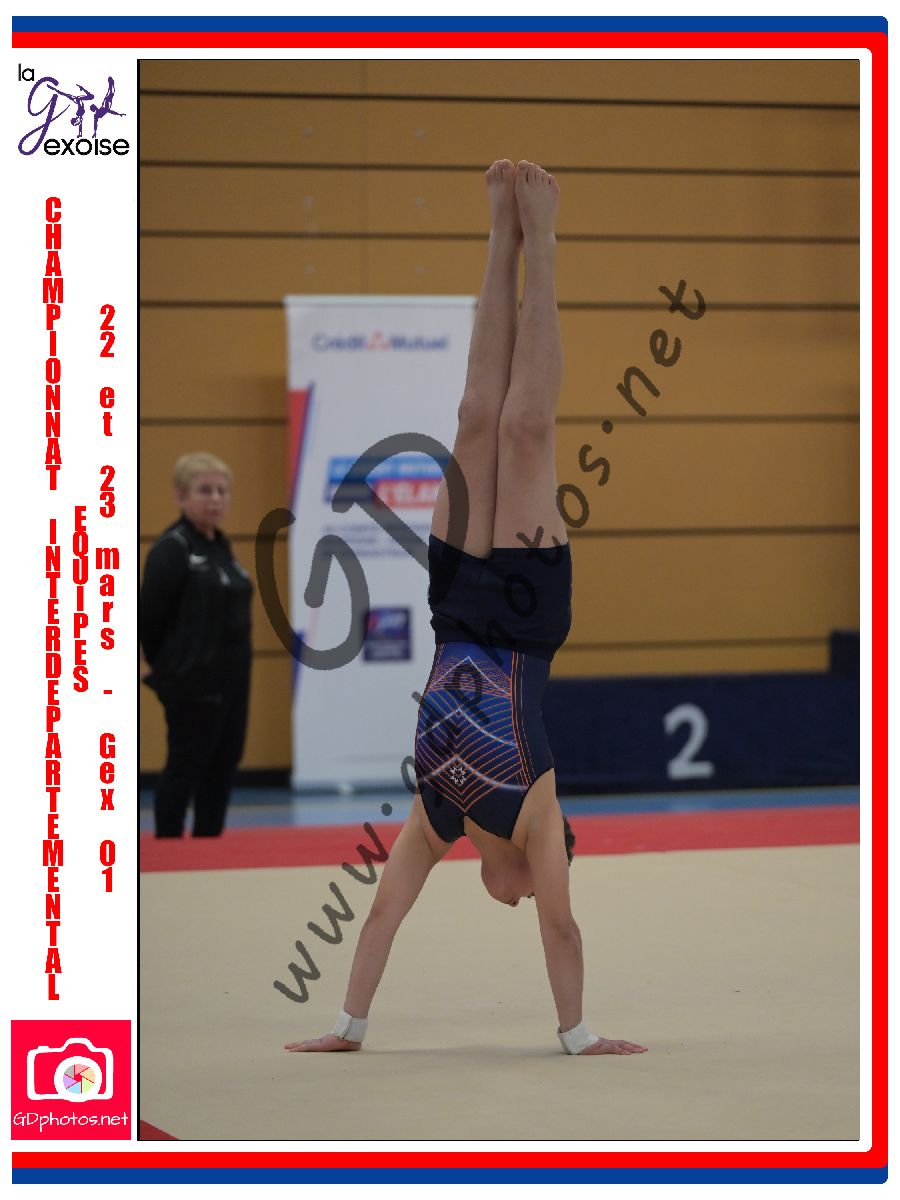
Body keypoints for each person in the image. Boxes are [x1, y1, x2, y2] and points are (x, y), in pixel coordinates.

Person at [285, 161, 647, 1056]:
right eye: (527, 893)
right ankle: (542, 240)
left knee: (477, 415)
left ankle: (498, 233)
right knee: (527, 430)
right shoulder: (538, 817)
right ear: (533, 872)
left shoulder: (439, 812)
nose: (516, 903)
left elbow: (382, 914)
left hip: (453, 610)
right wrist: (579, 1037)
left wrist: (346, 1028)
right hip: (525, 617)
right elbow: (561, 928)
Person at [140, 452, 253, 838]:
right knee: (186, 767)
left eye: (222, 491)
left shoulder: (221, 547)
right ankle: (169, 846)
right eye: (205, 490)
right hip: (193, 684)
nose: (216, 499)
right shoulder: (173, 549)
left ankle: (209, 847)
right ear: (181, 496)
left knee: (223, 766)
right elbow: (148, 618)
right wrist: (163, 669)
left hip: (232, 682)